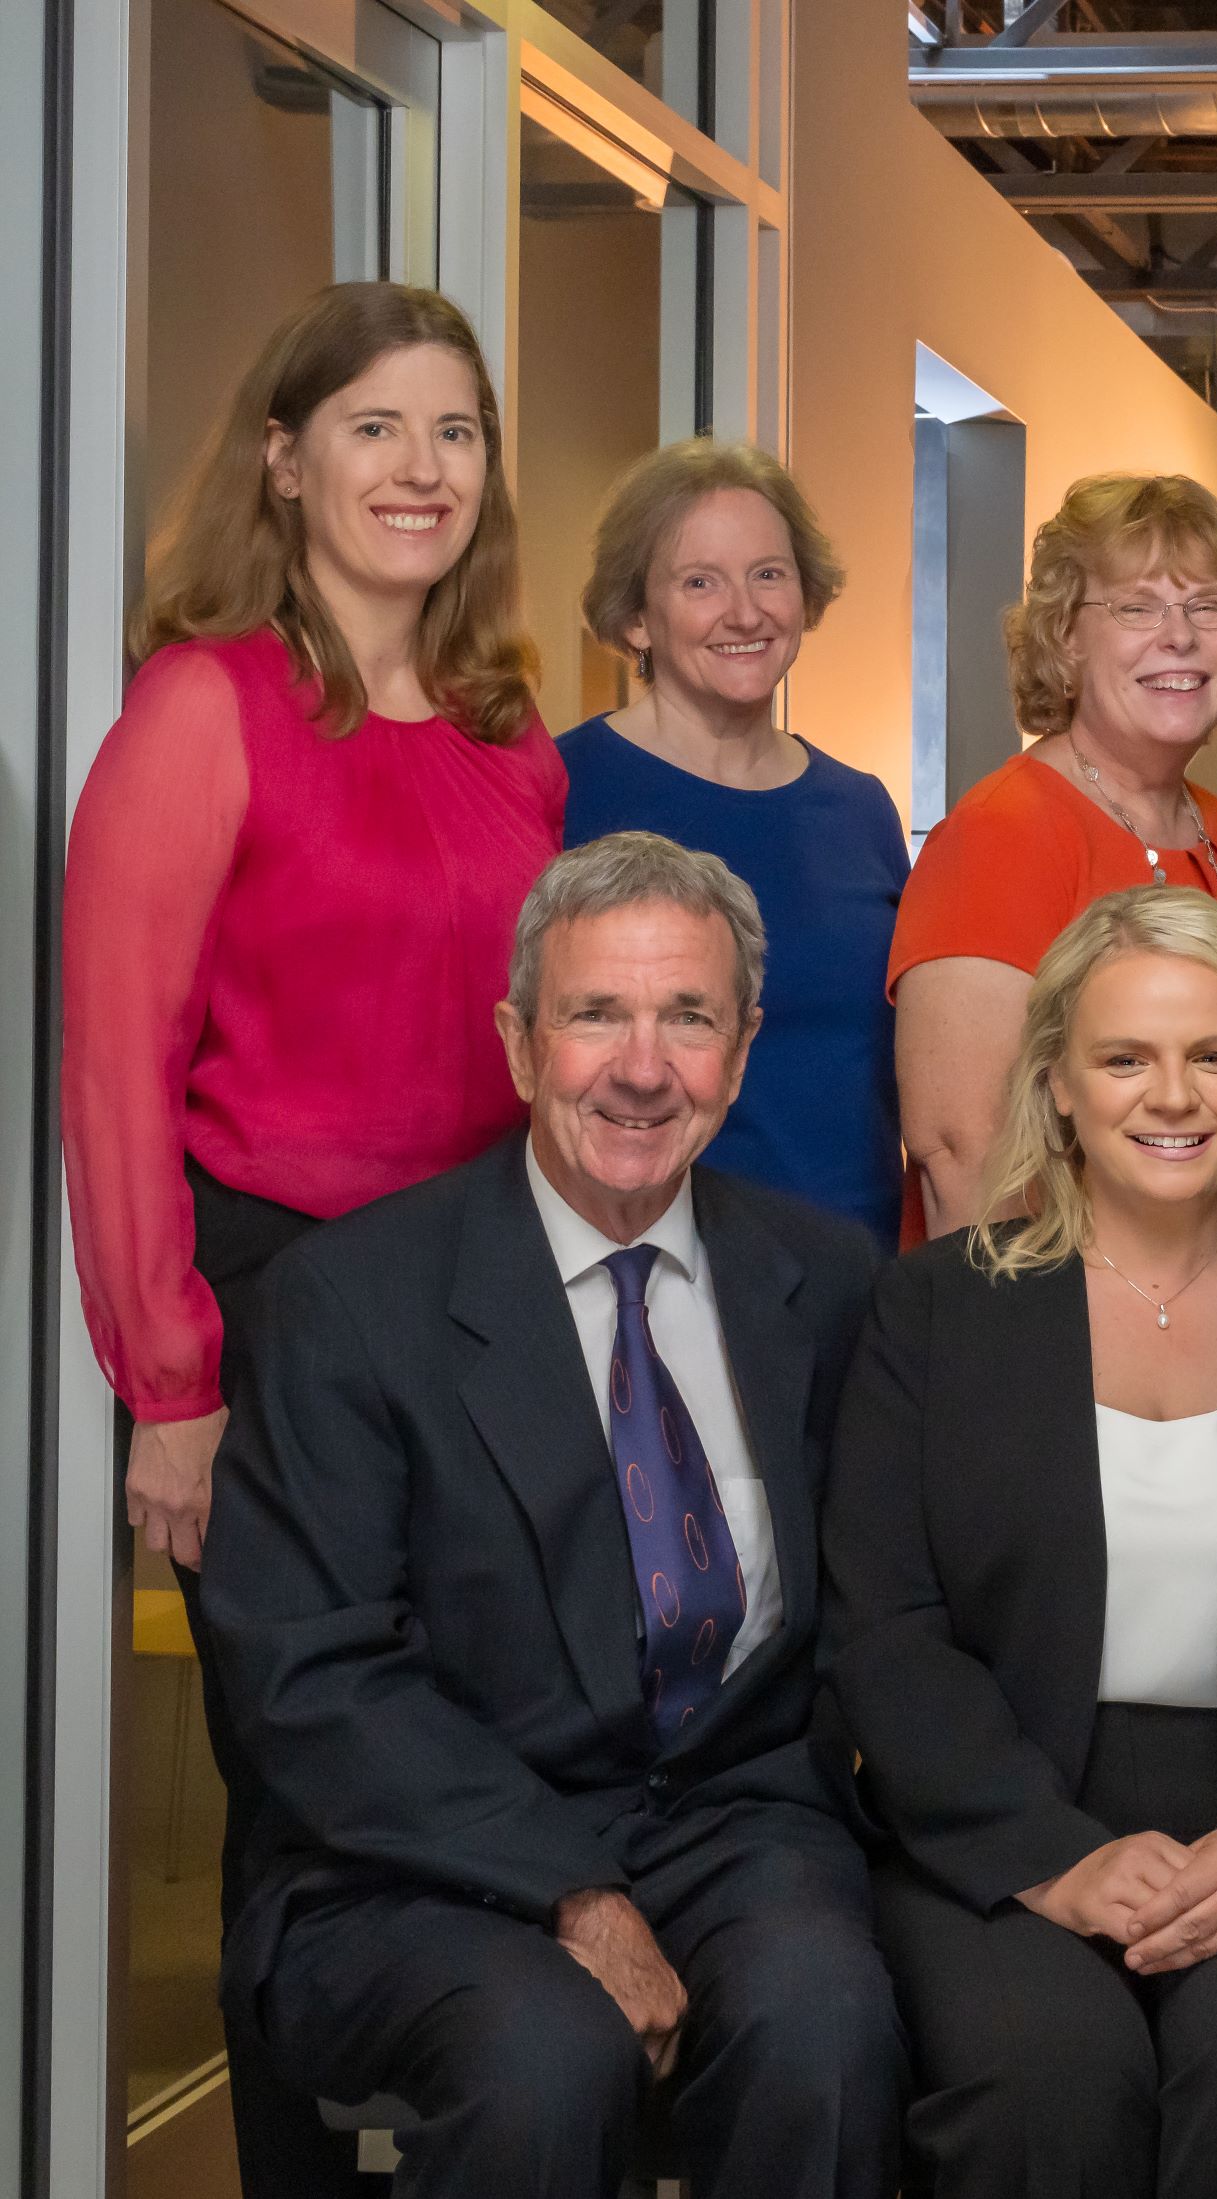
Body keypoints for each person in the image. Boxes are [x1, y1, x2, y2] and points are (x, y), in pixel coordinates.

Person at [200, 835, 906, 2199]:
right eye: (597, 1014)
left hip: (733, 1829)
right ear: (521, 1042)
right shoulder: (348, 1300)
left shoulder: (822, 1282)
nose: (643, 1067)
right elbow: (309, 1675)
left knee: (827, 2023)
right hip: (408, 1856)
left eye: (687, 1017)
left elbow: (873, 1611)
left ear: (742, 1049)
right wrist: (571, 1892)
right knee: (547, 2053)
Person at [60, 279, 561, 2196]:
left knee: (488, 1765)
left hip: (488, 1303)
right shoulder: (206, 704)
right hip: (281, 1309)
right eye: (375, 427)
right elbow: (118, 1063)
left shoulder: (517, 738)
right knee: (310, 1801)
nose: (420, 469)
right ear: (282, 457)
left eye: (454, 432)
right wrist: (169, 1378)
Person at [826, 886, 1217, 2196]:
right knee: (1046, 2067)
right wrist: (1054, 1852)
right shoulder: (934, 1308)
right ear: (1058, 1080)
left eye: (1213, 1053)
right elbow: (884, 1624)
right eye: (1125, 1056)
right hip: (994, 1808)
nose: (1174, 1092)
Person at [890, 473, 1217, 1247]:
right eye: (1136, 606)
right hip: (1080, 1331)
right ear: (1064, 636)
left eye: (1207, 606)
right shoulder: (1001, 834)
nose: (1179, 635)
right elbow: (966, 1165)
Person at [561, 439, 908, 1248]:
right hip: (644, 1272)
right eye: (699, 582)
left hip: (854, 1271)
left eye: (768, 574)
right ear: (636, 617)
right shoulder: (560, 788)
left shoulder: (859, 809)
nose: (744, 612)